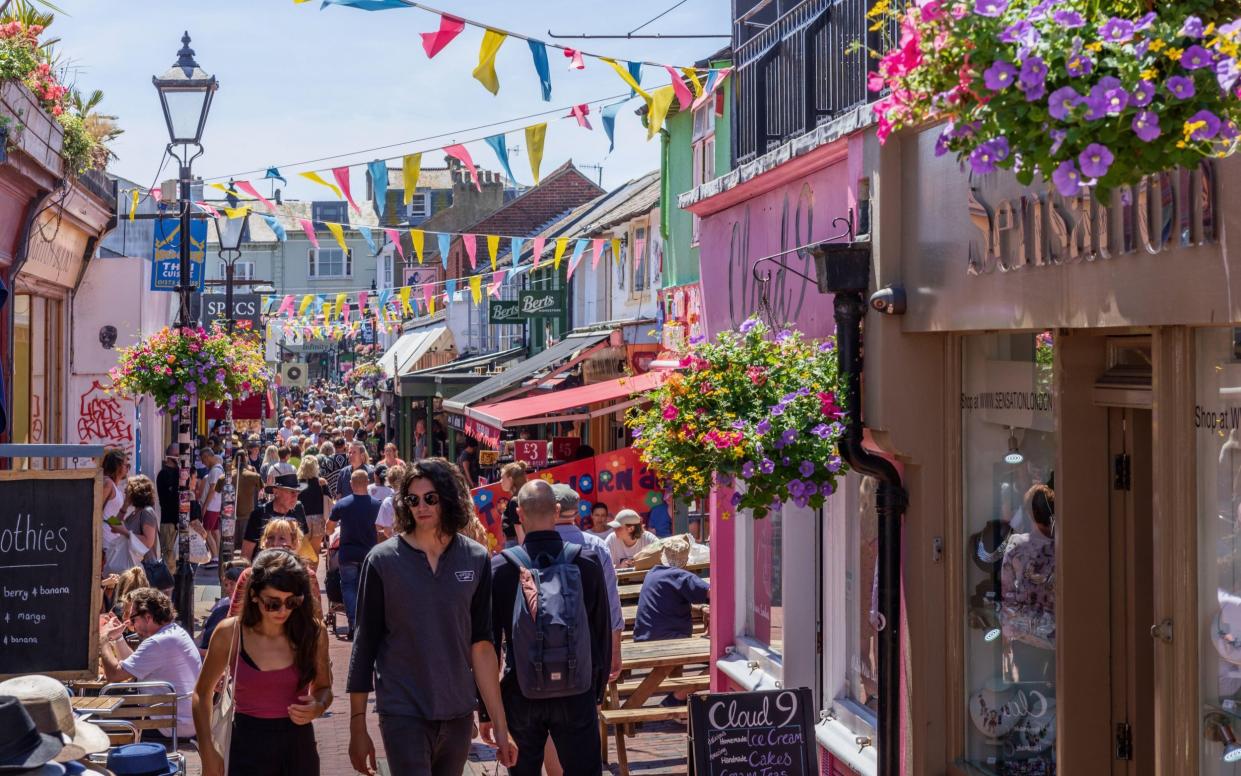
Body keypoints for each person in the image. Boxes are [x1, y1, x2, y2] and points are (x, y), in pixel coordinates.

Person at [347, 458, 517, 775]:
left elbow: (482, 645)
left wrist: (500, 724)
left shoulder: (476, 558)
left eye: (430, 498)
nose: (420, 506)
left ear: (448, 499)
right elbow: (364, 644)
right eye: (412, 499)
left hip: (457, 710)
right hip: (402, 708)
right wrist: (358, 726)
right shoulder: (382, 561)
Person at [483, 480, 612, 775]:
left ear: (519, 513)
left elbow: (488, 644)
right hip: (577, 690)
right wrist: (596, 692)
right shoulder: (587, 562)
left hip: (522, 691)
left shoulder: (501, 569)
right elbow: (601, 634)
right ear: (556, 511)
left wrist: (487, 710)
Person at [194, 549, 331, 776]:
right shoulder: (231, 633)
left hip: (298, 747)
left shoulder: (313, 632)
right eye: (273, 603)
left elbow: (324, 687)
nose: (283, 610)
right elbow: (201, 694)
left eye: (293, 602)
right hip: (247, 745)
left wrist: (318, 706)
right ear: (255, 595)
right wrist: (207, 750)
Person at [98, 588, 202, 740]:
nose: (131, 626)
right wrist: (119, 638)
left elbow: (114, 675)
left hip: (172, 725)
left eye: (133, 620)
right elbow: (135, 665)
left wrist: (103, 639)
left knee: (94, 720)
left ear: (147, 617)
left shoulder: (158, 642)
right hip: (185, 719)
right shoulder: (173, 632)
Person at [551, 485, 623, 679]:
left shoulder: (533, 545)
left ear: (553, 509)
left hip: (548, 645)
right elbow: (611, 601)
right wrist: (615, 650)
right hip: (591, 643)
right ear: (576, 510)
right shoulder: (596, 546)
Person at [329, 470, 382, 639]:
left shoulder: (342, 504)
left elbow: (329, 528)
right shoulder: (377, 504)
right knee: (364, 589)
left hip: (348, 553)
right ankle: (365, 623)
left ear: (351, 484)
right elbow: (380, 530)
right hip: (369, 554)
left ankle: (353, 622)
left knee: (348, 587)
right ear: (367, 483)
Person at [633, 537, 710, 642]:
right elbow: (713, 593)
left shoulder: (651, 573)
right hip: (671, 640)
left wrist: (701, 608)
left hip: (642, 639)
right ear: (686, 560)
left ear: (662, 556)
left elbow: (669, 604)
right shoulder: (681, 576)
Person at [109, 476, 165, 590]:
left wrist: (125, 532)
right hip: (133, 564)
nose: (125, 492)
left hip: (145, 567)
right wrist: (124, 506)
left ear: (136, 492)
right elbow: (114, 526)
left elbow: (148, 542)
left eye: (127, 491)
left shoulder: (147, 512)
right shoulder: (134, 513)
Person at [241, 474, 309, 561]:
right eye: (291, 491)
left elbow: (304, 547)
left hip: (290, 569)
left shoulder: (298, 509)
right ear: (276, 492)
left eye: (297, 492)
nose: (295, 496)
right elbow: (246, 553)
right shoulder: (259, 514)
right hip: (264, 569)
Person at [200, 560, 248, 653]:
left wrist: (199, 651)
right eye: (226, 585)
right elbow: (204, 634)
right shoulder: (221, 607)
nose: (228, 588)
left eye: (232, 584)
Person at [297, 456, 332, 565]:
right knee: (315, 552)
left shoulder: (298, 484)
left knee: (302, 553)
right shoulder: (321, 482)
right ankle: (312, 578)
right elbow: (329, 500)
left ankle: (305, 577)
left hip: (302, 519)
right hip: (318, 519)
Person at [155, 444, 181, 570]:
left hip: (179, 522)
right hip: (169, 522)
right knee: (169, 557)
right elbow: (168, 500)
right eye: (177, 454)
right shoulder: (164, 475)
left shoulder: (180, 472)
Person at [199, 449, 226, 567]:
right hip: (215, 506)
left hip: (211, 506)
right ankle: (218, 556)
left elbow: (212, 490)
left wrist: (204, 506)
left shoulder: (215, 471)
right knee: (214, 531)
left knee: (206, 532)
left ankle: (214, 557)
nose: (203, 463)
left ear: (207, 457)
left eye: (203, 460)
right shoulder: (219, 469)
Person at [234, 453, 264, 550]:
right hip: (247, 512)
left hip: (232, 513)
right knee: (245, 545)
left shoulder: (227, 475)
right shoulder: (254, 476)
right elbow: (262, 490)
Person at [499, 462, 528, 548]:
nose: (500, 481)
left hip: (515, 547)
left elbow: (520, 532)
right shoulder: (521, 498)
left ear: (510, 480)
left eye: (502, 478)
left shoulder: (514, 502)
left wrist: (523, 555)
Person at [373, 465, 405, 541]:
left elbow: (385, 530)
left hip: (396, 544)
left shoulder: (388, 502)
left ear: (389, 481)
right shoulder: (412, 498)